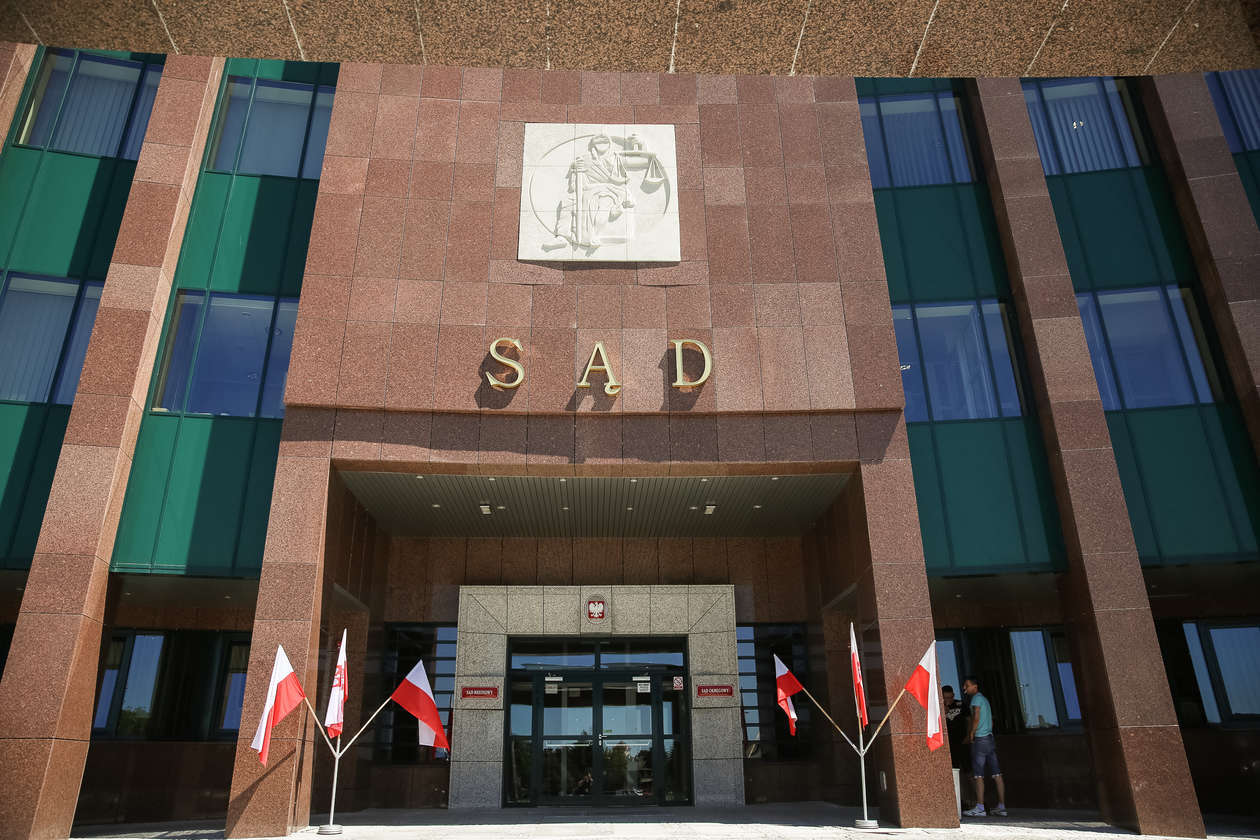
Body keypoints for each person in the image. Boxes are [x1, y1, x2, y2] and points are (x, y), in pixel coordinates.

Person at [961, 676, 1007, 817]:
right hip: (990, 738)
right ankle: (1002, 807)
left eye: (967, 685)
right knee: (997, 774)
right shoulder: (985, 700)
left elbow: (976, 717)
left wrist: (972, 733)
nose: (964, 688)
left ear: (975, 686)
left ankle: (980, 807)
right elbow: (991, 722)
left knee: (978, 775)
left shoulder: (976, 699)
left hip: (980, 739)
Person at [942, 685, 972, 808]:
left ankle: (979, 802)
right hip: (949, 745)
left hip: (962, 743)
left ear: (953, 695)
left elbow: (969, 720)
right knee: (954, 773)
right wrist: (943, 711)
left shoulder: (960, 704)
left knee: (969, 772)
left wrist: (969, 735)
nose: (948, 700)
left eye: (950, 697)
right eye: (946, 698)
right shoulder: (939, 707)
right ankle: (962, 802)